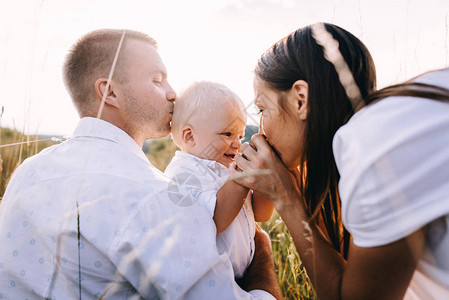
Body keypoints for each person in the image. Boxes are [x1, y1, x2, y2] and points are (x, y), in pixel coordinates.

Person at [0, 29, 281, 299]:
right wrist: (263, 258)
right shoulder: (159, 199)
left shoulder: (28, 172)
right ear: (109, 93)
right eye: (157, 80)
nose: (173, 93)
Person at [233, 22, 449, 299]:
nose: (261, 129)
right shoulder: (399, 115)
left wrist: (286, 197)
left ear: (301, 99)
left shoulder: (374, 147)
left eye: (262, 108)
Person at [165, 81, 274, 279]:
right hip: (212, 280)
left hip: (244, 276)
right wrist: (242, 174)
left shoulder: (227, 170)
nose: (238, 144)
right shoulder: (183, 173)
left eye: (240, 135)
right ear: (190, 137)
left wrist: (261, 177)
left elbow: (261, 214)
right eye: (227, 134)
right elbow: (216, 219)